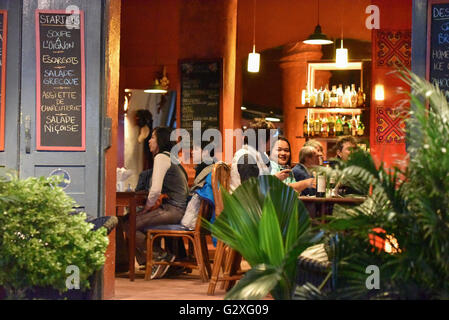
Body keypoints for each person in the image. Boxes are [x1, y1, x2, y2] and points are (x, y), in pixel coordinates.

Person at [124, 126, 189, 279]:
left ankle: (160, 257)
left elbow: (154, 191)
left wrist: (146, 209)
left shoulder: (161, 157)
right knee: (130, 221)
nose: (149, 141)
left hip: (173, 210)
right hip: (179, 209)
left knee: (129, 223)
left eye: (152, 137)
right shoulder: (172, 158)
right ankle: (152, 261)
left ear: (160, 141)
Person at [230, 118, 275, 191]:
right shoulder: (247, 158)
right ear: (261, 139)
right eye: (272, 138)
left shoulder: (260, 155)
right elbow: (251, 193)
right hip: (241, 202)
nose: (274, 142)